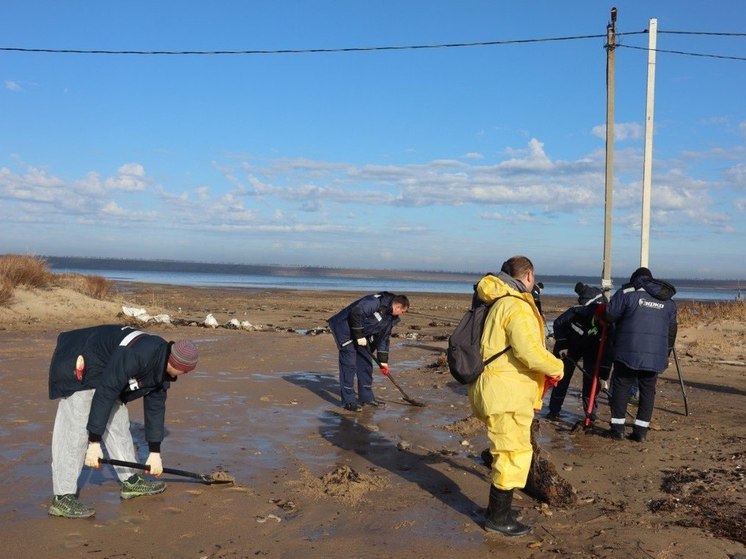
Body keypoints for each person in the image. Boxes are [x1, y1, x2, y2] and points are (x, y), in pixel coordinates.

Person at [47, 325, 199, 518]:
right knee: (75, 427)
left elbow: (155, 408)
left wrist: (155, 451)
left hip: (106, 368)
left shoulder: (162, 363)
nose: (184, 376)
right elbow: (107, 389)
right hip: (80, 360)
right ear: (180, 366)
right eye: (185, 372)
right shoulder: (139, 354)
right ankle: (62, 497)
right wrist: (94, 442)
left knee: (117, 420)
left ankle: (131, 481)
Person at [468, 256, 564, 536]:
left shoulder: (496, 300)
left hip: (493, 389)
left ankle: (500, 510)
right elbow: (529, 352)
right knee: (512, 453)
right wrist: (557, 367)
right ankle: (497, 518)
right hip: (506, 393)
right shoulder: (516, 305)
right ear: (529, 275)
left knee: (507, 451)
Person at [602, 267, 677, 442]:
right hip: (656, 355)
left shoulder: (628, 292)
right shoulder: (667, 299)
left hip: (627, 351)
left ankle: (617, 429)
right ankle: (641, 432)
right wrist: (665, 353)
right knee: (648, 391)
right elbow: (672, 330)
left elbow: (610, 315)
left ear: (635, 278)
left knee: (621, 387)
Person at [327, 292, 409, 411]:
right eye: (403, 311)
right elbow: (356, 313)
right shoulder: (375, 302)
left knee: (366, 362)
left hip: (362, 335)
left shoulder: (391, 318)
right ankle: (348, 401)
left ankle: (366, 398)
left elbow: (384, 338)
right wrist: (359, 336)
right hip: (344, 329)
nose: (402, 314)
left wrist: (383, 361)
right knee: (349, 364)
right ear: (398, 307)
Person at [546, 282, 611, 422]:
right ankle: (554, 410)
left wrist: (604, 376)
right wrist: (562, 344)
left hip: (591, 349)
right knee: (562, 378)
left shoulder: (608, 325)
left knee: (591, 378)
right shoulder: (578, 312)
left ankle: (590, 412)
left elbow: (607, 351)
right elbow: (558, 323)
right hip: (568, 347)